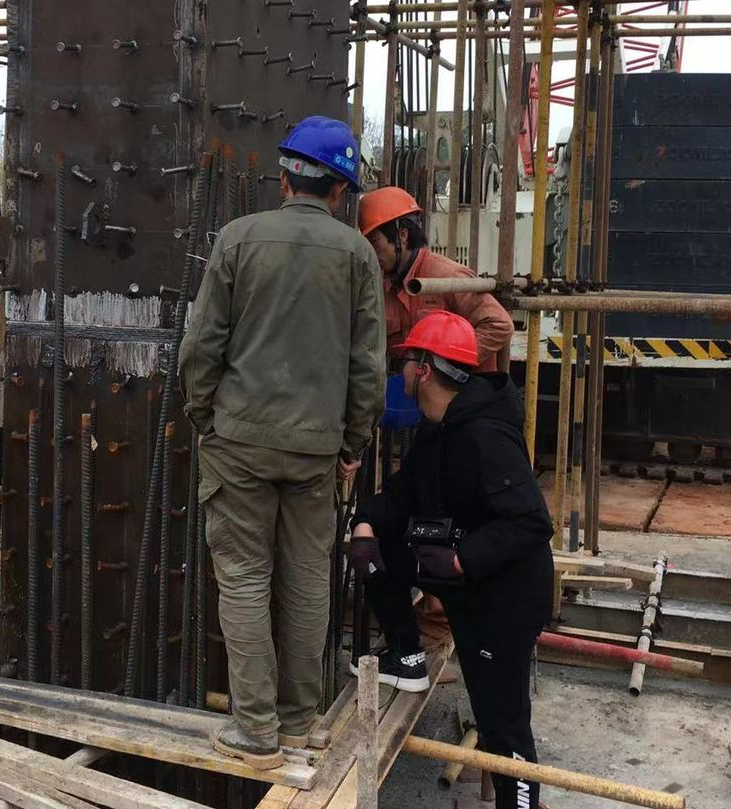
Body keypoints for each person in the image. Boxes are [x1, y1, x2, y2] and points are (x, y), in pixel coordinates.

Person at [179, 115, 386, 771]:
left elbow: (201, 347)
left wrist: (206, 418)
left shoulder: (238, 239)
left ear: (284, 178)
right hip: (315, 448)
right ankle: (299, 722)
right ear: (340, 191)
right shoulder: (357, 255)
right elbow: (368, 367)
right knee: (306, 581)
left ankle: (256, 729)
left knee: (244, 578)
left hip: (239, 440)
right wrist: (351, 443)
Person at [349, 311, 553, 809]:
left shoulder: (485, 436)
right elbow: (404, 491)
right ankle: (407, 654)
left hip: (504, 601)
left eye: (406, 361)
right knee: (379, 546)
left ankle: (519, 803)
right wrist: (366, 523)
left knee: (501, 724)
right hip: (468, 585)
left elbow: (531, 521)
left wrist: (462, 560)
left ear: (423, 370)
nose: (400, 370)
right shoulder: (439, 428)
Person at [358, 186, 513, 372]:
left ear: (402, 235)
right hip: (411, 386)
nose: (371, 253)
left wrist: (450, 368)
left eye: (375, 243)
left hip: (462, 388)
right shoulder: (382, 286)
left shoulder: (447, 277)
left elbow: (499, 325)